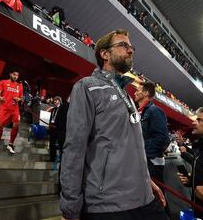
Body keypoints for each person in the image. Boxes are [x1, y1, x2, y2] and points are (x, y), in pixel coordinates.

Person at [60, 29, 167, 220]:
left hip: (144, 198)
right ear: (104, 54)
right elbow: (74, 148)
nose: (130, 50)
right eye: (123, 45)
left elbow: (125, 148)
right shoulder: (87, 87)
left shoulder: (126, 95)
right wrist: (70, 205)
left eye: (131, 46)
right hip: (109, 205)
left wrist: (147, 181)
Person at [134, 81, 169, 192]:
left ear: (145, 93)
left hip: (152, 163)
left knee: (156, 199)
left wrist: (144, 154)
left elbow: (163, 139)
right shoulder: (140, 112)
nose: (135, 93)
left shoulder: (154, 111)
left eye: (137, 91)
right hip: (144, 161)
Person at [0, 70, 23, 154]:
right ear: (10, 74)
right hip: (4, 108)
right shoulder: (3, 82)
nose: (15, 76)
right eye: (14, 74)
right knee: (0, 126)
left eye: (17, 75)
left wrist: (19, 99)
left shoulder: (19, 86)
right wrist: (0, 97)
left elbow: (21, 97)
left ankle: (10, 144)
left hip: (15, 109)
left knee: (16, 125)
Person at [49, 96, 63, 162]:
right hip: (52, 128)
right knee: (52, 144)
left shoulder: (62, 108)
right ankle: (52, 158)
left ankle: (62, 158)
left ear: (59, 101)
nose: (54, 101)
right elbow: (51, 118)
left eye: (56, 100)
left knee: (61, 144)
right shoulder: (53, 109)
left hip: (59, 129)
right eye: (54, 100)